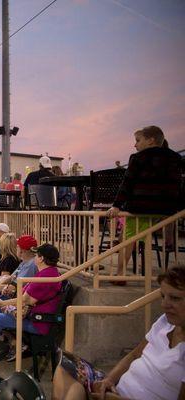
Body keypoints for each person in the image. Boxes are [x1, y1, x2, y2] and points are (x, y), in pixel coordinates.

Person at [52, 265, 185, 400]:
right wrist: (109, 380)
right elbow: (134, 355)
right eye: (163, 296)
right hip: (117, 389)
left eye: (174, 298)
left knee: (72, 390)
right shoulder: (165, 322)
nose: (164, 304)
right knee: (65, 368)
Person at [0, 244, 62, 375]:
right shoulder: (48, 273)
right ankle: (12, 342)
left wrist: (3, 303)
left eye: (36, 255)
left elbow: (27, 300)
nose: (34, 257)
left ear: (41, 258)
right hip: (32, 316)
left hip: (36, 321)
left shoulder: (46, 276)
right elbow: (25, 296)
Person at [107, 126, 184, 282]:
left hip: (141, 207)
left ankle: (120, 274)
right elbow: (180, 183)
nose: (135, 145)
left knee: (129, 238)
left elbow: (127, 184)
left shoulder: (138, 158)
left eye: (138, 140)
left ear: (150, 140)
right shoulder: (175, 158)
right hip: (168, 210)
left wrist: (116, 205)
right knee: (138, 234)